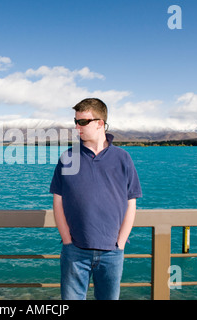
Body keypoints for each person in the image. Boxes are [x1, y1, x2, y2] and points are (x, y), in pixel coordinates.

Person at [49, 98, 142, 300]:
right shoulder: (68, 158)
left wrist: (120, 243)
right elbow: (58, 202)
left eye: (83, 122)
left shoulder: (123, 158)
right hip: (75, 252)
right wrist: (67, 241)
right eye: (75, 121)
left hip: (112, 253)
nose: (77, 127)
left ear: (100, 123)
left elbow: (131, 202)